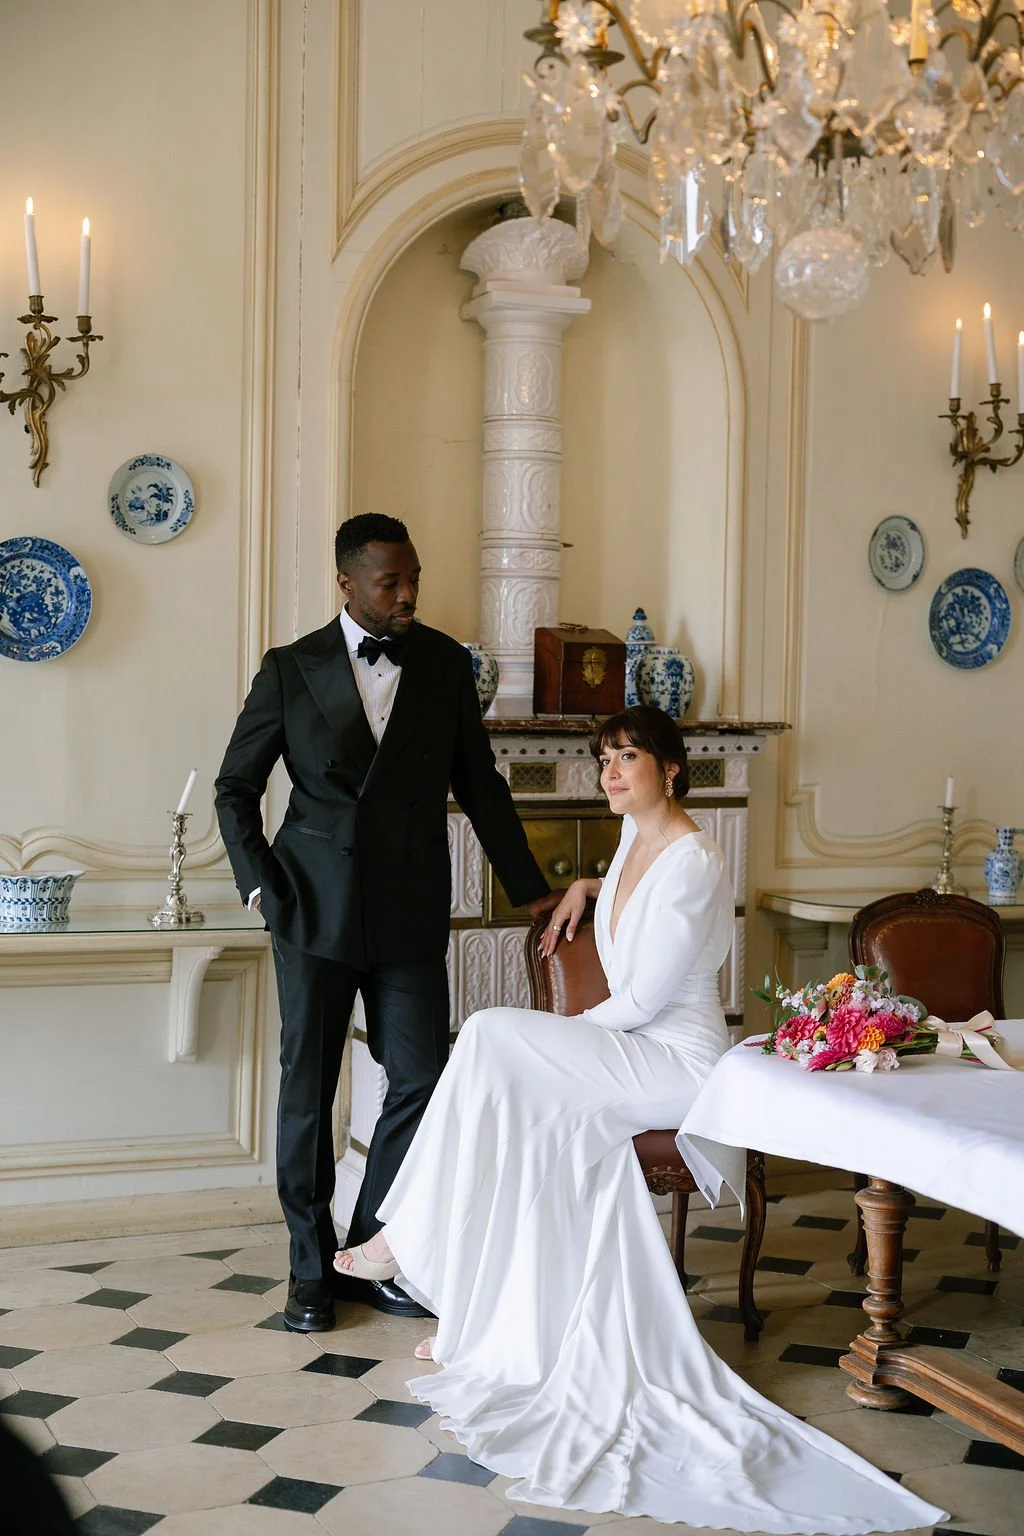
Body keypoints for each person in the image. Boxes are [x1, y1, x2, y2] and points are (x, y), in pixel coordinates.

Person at [334, 706, 947, 1533]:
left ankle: (408, 1239)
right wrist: (588, 885)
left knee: (488, 1037)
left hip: (678, 1061)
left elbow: (647, 999)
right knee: (521, 1108)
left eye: (628, 758)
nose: (610, 773)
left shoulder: (696, 859)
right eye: (603, 759)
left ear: (672, 769)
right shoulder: (632, 839)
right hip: (628, 1045)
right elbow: (624, 905)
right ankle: (484, 1324)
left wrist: (551, 1039)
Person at [215, 514, 556, 1333]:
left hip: (407, 909)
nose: (407, 595)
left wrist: (532, 890)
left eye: (414, 579)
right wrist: (262, 889)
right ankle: (306, 1270)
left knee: (421, 1078)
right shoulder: (291, 669)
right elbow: (235, 788)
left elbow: (481, 785)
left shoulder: (444, 663)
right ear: (347, 583)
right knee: (309, 1088)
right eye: (388, 583)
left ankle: (366, 1249)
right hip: (312, 909)